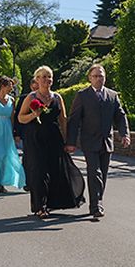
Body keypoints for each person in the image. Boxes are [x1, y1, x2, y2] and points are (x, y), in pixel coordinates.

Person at [17, 65, 85, 218]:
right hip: (35, 139)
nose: (47, 79)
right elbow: (20, 118)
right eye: (43, 77)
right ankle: (39, 206)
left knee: (55, 169)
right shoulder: (31, 98)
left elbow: (63, 120)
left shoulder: (57, 97)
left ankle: (51, 202)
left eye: (49, 77)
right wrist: (34, 115)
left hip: (54, 138)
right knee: (39, 171)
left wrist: (68, 140)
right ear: (37, 79)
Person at [65, 64, 130, 219]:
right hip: (89, 142)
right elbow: (74, 120)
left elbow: (120, 116)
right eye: (95, 76)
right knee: (94, 173)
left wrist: (124, 134)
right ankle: (96, 206)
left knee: (103, 174)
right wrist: (71, 142)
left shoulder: (112, 95)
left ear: (105, 78)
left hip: (106, 142)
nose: (98, 79)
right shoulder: (82, 95)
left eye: (101, 76)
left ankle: (98, 200)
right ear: (90, 78)